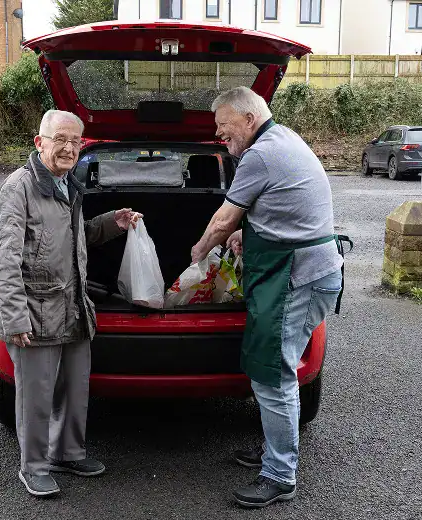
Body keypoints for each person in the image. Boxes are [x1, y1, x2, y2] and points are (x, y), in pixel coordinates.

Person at [191, 87, 343, 509]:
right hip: (312, 272)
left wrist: (196, 254)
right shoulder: (284, 138)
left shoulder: (258, 154)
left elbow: (223, 219)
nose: (220, 135)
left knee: (273, 375)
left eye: (224, 126)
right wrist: (249, 232)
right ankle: (276, 447)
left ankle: (280, 474)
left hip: (297, 278)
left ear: (249, 119)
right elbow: (285, 207)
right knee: (274, 369)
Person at [0, 109, 141, 497]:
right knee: (37, 395)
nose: (69, 148)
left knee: (74, 388)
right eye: (61, 139)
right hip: (36, 309)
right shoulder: (20, 187)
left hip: (73, 305)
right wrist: (14, 315)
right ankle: (34, 467)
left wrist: (113, 223)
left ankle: (68, 453)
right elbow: (3, 256)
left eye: (76, 141)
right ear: (40, 142)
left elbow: (72, 240)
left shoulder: (66, 185)